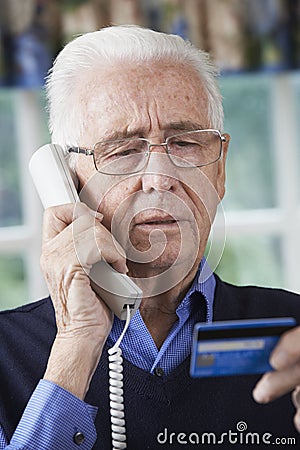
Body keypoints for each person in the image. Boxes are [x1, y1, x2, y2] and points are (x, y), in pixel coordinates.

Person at [1, 25, 300, 450]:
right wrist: (76, 345)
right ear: (66, 181)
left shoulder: (295, 335)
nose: (160, 180)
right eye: (122, 150)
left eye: (183, 143)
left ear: (220, 169)